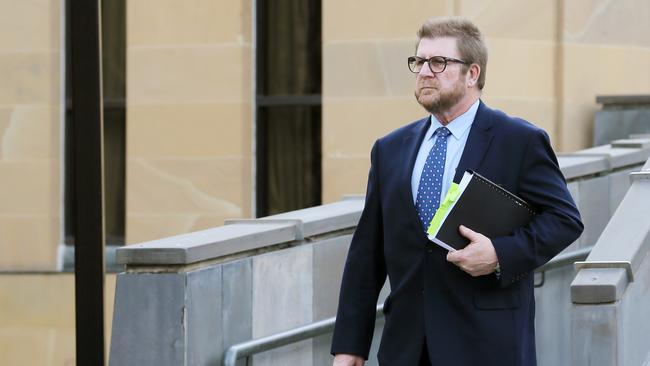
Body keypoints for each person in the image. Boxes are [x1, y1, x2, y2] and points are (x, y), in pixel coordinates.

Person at [330, 16, 583, 366]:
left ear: (473, 74)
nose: (424, 72)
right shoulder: (390, 149)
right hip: (406, 347)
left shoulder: (518, 141)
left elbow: (565, 220)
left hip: (486, 344)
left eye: (439, 62)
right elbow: (366, 256)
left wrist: (499, 253)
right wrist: (350, 347)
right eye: (418, 61)